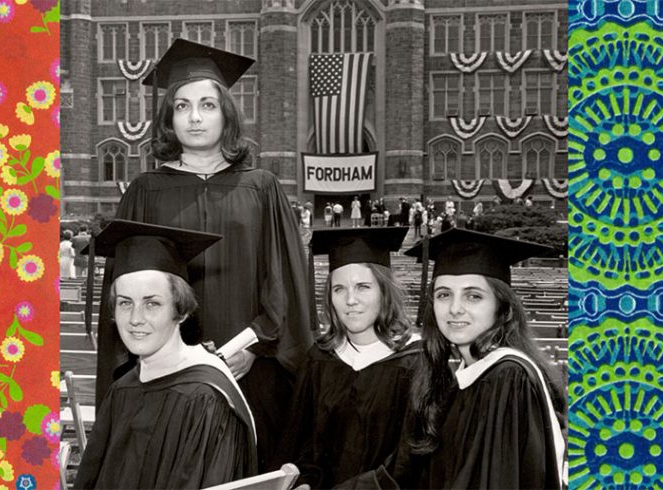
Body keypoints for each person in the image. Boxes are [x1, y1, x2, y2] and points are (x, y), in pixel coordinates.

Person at [95, 39, 313, 471]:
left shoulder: (262, 187)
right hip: (166, 373)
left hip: (253, 372)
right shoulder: (145, 190)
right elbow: (125, 291)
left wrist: (256, 346)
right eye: (182, 106)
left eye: (208, 105)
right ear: (168, 117)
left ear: (226, 113)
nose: (195, 117)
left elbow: (285, 281)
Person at [355, 228, 566, 489]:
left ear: (502, 307)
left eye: (473, 296)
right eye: (444, 294)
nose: (455, 308)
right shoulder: (468, 378)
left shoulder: (507, 378)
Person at [74, 220, 257, 489]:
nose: (135, 318)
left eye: (152, 303)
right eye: (125, 303)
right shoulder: (122, 390)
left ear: (181, 311)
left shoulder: (206, 398)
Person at [279, 227, 420, 488]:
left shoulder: (414, 364)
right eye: (339, 289)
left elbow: (411, 460)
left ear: (384, 291)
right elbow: (301, 443)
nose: (350, 300)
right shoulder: (319, 360)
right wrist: (304, 481)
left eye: (363, 287)